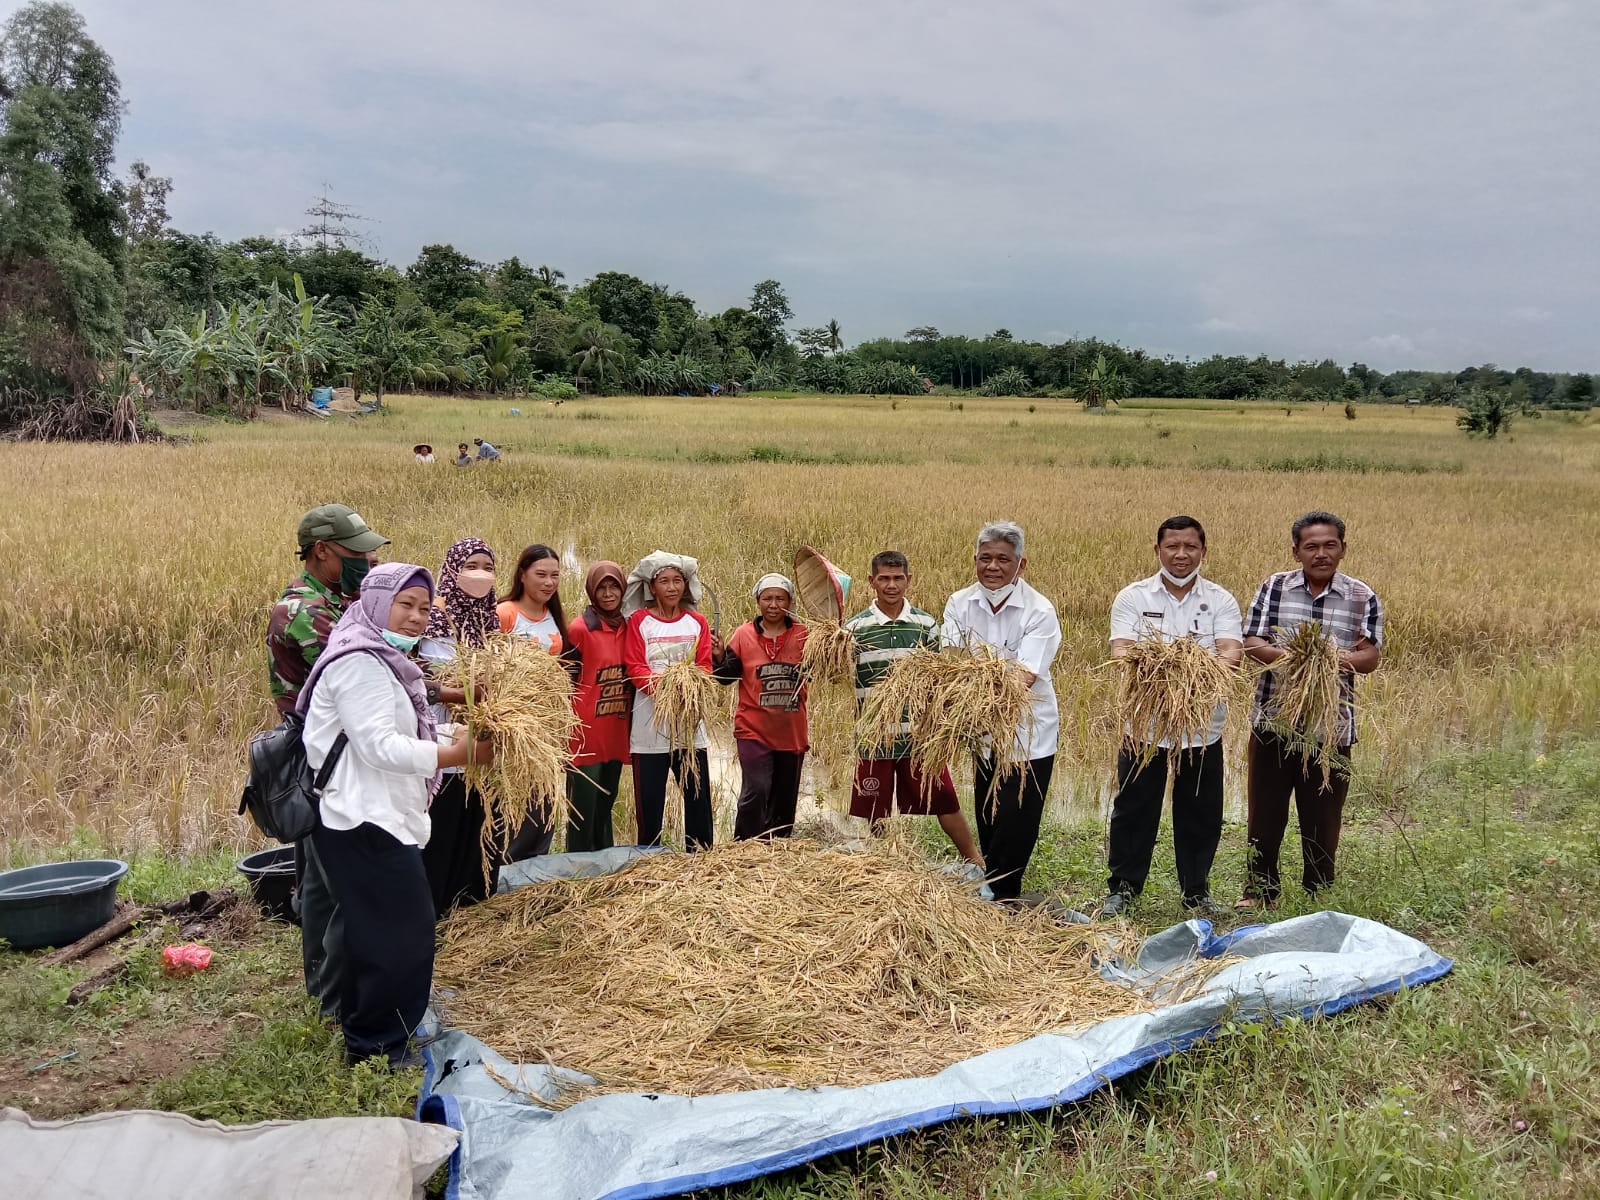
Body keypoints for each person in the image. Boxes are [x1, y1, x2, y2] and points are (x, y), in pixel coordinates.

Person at [298, 562, 492, 1066]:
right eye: (404, 605)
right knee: (399, 934)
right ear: (376, 601)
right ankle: (375, 1045)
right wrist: (458, 754)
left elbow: (412, 736)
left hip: (377, 814)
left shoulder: (385, 661)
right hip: (361, 819)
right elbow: (381, 747)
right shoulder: (358, 663)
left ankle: (375, 1030)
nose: (414, 618)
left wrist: (473, 741)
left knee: (383, 930)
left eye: (424, 609)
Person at [266, 503, 388, 1020]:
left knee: (324, 875)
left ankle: (331, 983)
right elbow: (361, 674)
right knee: (329, 879)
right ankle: (333, 996)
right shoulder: (303, 611)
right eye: (357, 554)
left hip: (345, 747)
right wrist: (446, 690)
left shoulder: (342, 600)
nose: (368, 562)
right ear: (322, 552)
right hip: (320, 755)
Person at [1099, 516, 1243, 919]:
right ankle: (1123, 889)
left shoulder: (1220, 600)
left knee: (1200, 811)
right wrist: (1168, 668)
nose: (1181, 555)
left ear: (1203, 551)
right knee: (1133, 808)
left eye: (1190, 547)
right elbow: (1122, 652)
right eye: (1172, 547)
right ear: (1158, 550)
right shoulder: (1133, 597)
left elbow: (1230, 653)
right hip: (1143, 729)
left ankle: (1196, 891)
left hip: (1202, 729)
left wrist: (1194, 669)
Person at [1238, 511, 1383, 909]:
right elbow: (1251, 641)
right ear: (1297, 551)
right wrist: (1293, 658)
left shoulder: (1361, 595)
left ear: (1343, 548)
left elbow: (1370, 654)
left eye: (1329, 545)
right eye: (1312, 546)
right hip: (1274, 721)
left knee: (1323, 814)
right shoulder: (1275, 587)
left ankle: (1318, 891)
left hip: (1330, 728)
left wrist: (1329, 659)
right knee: (1265, 814)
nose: (1321, 553)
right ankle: (1259, 891)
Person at [942, 521, 1062, 901]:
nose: (993, 567)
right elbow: (950, 660)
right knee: (989, 813)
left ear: (1021, 564)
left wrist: (972, 679)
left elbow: (1022, 677)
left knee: (1018, 818)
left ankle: (1005, 896)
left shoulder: (1039, 611)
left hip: (1028, 734)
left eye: (1003, 560)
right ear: (974, 559)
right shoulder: (960, 603)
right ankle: (994, 887)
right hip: (982, 733)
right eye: (985, 558)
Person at [844, 552, 983, 865]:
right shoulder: (855, 628)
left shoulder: (925, 624)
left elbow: (939, 677)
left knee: (945, 799)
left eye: (898, 578)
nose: (891, 585)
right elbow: (838, 672)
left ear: (909, 579)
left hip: (919, 737)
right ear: (872, 581)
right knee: (876, 809)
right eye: (884, 579)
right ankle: (883, 864)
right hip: (874, 737)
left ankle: (976, 861)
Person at [417, 537, 501, 915]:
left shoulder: (489, 617)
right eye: (471, 565)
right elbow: (416, 679)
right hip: (441, 734)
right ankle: (430, 908)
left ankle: (467, 907)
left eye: (487, 566)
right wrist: (460, 693)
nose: (480, 574)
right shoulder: (430, 616)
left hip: (481, 735)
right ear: (452, 568)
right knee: (442, 823)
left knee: (476, 822)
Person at [622, 552, 715, 850]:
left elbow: (704, 667)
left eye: (678, 581)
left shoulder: (696, 622)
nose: (672, 587)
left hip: (689, 728)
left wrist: (688, 688)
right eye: (664, 581)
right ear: (652, 587)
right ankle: (649, 858)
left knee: (697, 797)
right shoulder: (640, 622)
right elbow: (635, 667)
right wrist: (668, 687)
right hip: (650, 730)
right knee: (649, 803)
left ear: (686, 586)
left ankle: (700, 857)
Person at [712, 573, 809, 840]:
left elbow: (821, 671)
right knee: (756, 788)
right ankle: (744, 846)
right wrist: (719, 655)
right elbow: (726, 677)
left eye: (780, 598)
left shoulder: (804, 635)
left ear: (790, 602)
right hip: (752, 729)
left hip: (792, 732)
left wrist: (833, 644)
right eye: (767, 598)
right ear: (758, 601)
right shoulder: (744, 635)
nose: (774, 604)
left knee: (785, 797)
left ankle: (777, 850)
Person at [495, 544, 575, 859]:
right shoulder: (505, 612)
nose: (548, 582)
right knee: (510, 795)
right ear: (522, 575)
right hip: (514, 722)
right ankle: (502, 864)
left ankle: (533, 862)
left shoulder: (552, 616)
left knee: (543, 797)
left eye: (555, 575)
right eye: (540, 574)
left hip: (545, 724)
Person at [565, 562, 633, 852]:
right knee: (582, 808)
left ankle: (604, 863)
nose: (608, 594)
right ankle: (577, 866)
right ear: (592, 591)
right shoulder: (580, 629)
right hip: (586, 733)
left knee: (606, 802)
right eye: (601, 588)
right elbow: (565, 681)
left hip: (616, 729)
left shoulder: (629, 626)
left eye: (614, 586)